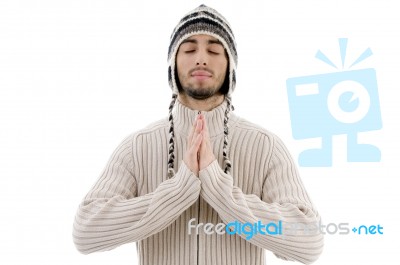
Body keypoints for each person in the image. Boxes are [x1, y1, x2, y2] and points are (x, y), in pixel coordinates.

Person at [72, 4, 324, 265]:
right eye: (189, 49)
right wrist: (180, 189)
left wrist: (218, 188)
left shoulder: (266, 147)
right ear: (173, 64)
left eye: (214, 50)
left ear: (230, 67)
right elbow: (85, 232)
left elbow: (310, 241)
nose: (201, 58)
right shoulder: (137, 147)